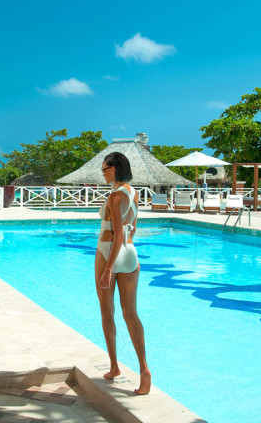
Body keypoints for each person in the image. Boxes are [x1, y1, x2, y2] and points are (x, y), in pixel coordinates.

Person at [97, 152, 151, 395]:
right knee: (131, 313)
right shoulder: (133, 192)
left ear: (114, 168)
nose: (103, 173)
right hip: (130, 253)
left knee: (107, 311)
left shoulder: (114, 196)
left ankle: (114, 366)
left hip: (109, 250)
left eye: (105, 169)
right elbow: (132, 229)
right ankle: (144, 370)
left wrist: (108, 268)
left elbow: (116, 234)